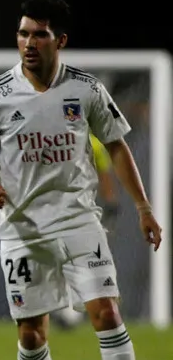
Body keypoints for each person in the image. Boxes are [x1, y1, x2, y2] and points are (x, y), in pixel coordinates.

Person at [0, 0, 159, 360]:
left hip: (78, 220)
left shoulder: (86, 90)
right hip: (22, 229)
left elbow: (117, 147)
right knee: (31, 331)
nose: (29, 43)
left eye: (39, 34)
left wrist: (143, 207)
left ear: (60, 40)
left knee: (106, 312)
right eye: (23, 33)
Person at [53, 134, 119, 329]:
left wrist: (111, 202)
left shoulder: (94, 144)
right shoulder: (55, 138)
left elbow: (104, 174)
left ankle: (72, 311)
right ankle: (68, 308)